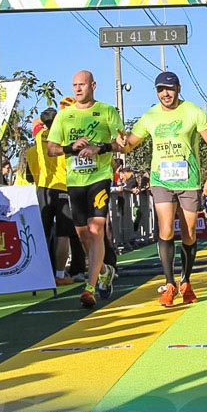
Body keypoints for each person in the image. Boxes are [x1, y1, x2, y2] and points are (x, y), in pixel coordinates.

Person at [119, 71, 207, 306]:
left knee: (190, 232)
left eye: (170, 88)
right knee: (165, 229)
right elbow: (129, 145)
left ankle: (186, 281)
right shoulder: (151, 116)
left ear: (178, 89)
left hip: (189, 181)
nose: (165, 93)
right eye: (160, 89)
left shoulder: (193, 111)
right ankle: (170, 283)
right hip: (161, 180)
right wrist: (122, 144)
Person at [46, 71, 123, 309]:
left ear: (93, 85)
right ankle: (104, 271)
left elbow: (123, 143)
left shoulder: (107, 111)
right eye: (74, 85)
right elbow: (51, 149)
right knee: (82, 234)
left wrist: (99, 148)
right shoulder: (64, 115)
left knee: (96, 229)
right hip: (75, 180)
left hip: (99, 177)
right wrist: (71, 147)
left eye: (82, 85)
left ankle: (89, 288)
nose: (78, 89)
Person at [27, 107, 75, 286]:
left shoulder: (40, 137)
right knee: (63, 234)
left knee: (42, 233)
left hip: (44, 189)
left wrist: (45, 120)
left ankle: (39, 274)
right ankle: (59, 274)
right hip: (63, 187)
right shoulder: (65, 136)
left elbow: (35, 122)